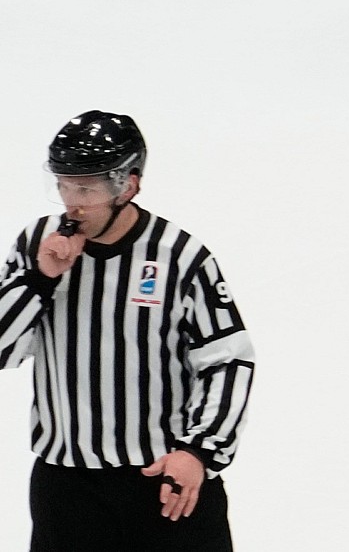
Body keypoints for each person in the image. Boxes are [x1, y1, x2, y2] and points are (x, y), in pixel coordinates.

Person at [0, 112, 255, 549]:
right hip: (67, 488)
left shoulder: (179, 256)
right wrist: (41, 280)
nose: (71, 201)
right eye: (62, 184)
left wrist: (198, 452)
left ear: (128, 185)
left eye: (86, 187)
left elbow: (227, 360)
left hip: (163, 480)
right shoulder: (35, 245)